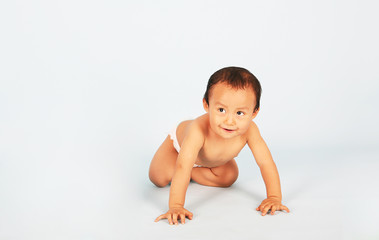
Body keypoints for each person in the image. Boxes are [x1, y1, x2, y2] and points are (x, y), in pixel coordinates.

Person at [149, 66, 290, 225]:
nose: (229, 121)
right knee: (158, 178)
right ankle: (186, 172)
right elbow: (182, 165)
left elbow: (265, 162)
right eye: (221, 110)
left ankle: (193, 173)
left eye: (239, 113)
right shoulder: (198, 130)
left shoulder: (250, 130)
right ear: (207, 105)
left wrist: (274, 197)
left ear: (254, 112)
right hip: (178, 149)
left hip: (209, 159)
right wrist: (176, 206)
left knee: (229, 177)